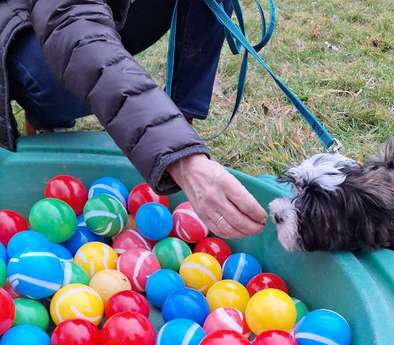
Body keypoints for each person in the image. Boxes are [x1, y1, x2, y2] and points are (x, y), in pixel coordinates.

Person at [0, 0, 267, 238]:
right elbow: (74, 26)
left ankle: (182, 122)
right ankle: (46, 116)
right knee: (61, 81)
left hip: (91, 12)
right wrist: (181, 158)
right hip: (26, 16)